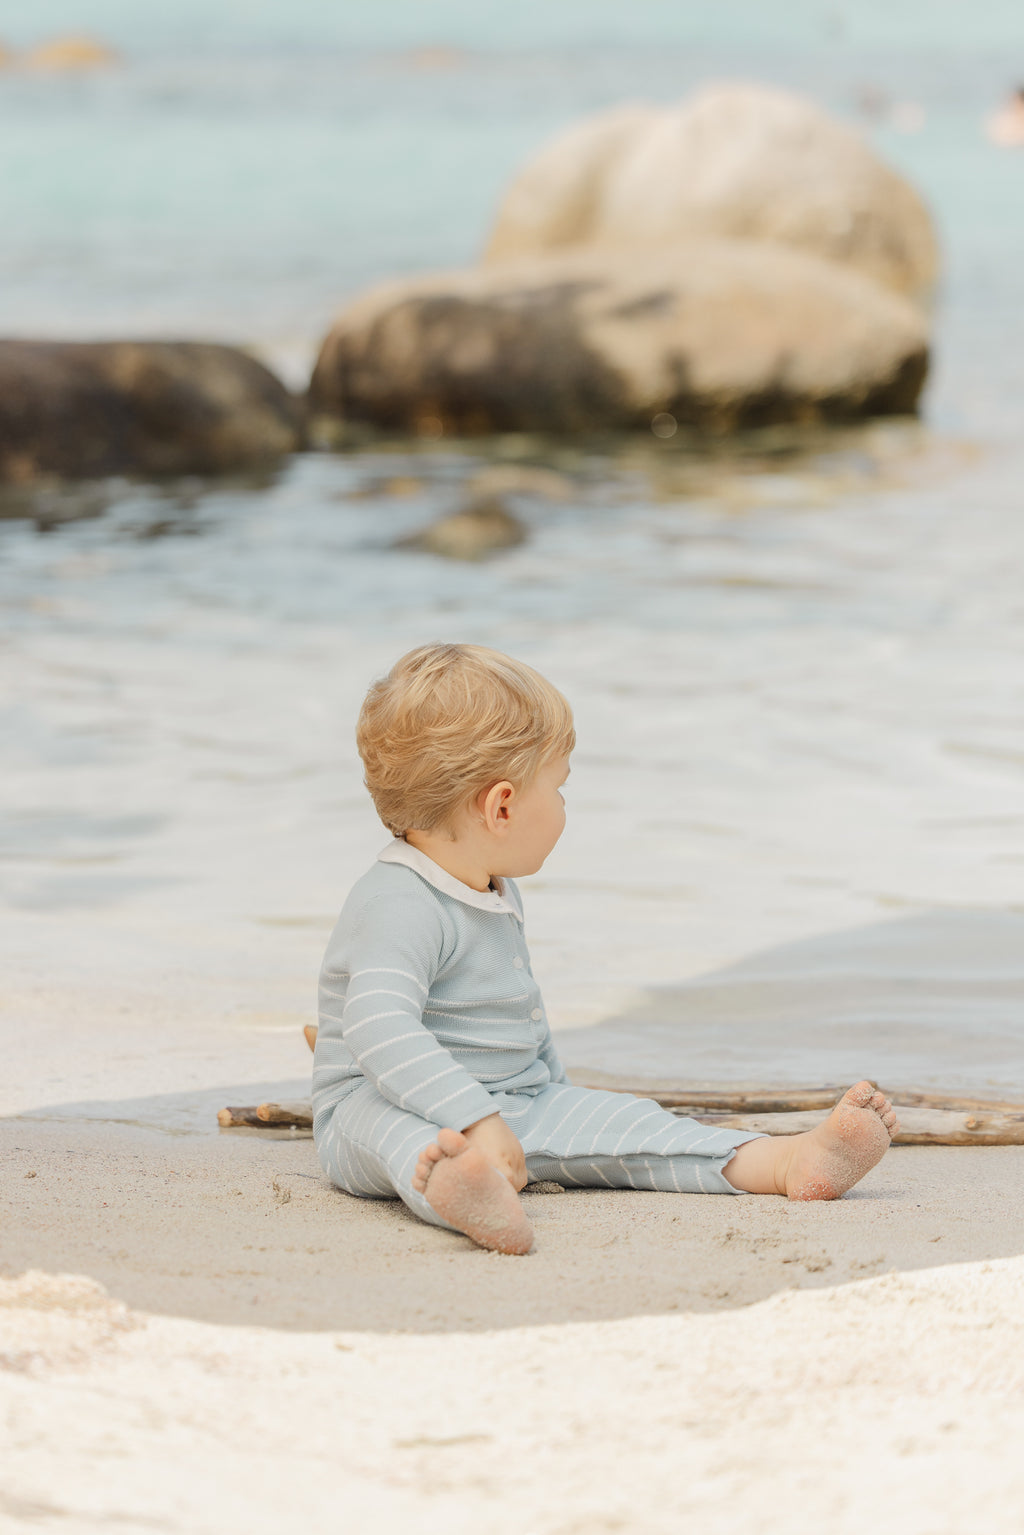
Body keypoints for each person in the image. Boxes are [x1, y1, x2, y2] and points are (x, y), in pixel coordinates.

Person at [312, 643, 899, 1254]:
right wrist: (476, 1122)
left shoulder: (494, 888)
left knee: (636, 1128)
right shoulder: (398, 902)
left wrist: (556, 1094)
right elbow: (378, 1027)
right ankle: (469, 1194)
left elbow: (521, 1013)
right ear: (502, 805)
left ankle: (787, 1162)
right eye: (559, 787)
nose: (565, 805)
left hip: (513, 1102)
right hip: (373, 1103)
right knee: (401, 1139)